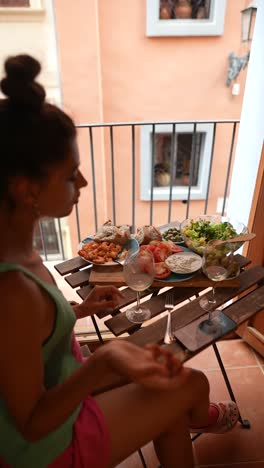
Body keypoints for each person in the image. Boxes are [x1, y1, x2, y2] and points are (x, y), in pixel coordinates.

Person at [0, 54, 239, 468]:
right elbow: (32, 423)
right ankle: (203, 416)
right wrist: (104, 362)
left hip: (63, 387)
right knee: (183, 385)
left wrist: (80, 310)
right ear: (27, 189)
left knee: (172, 388)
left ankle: (194, 415)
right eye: (71, 174)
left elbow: (23, 340)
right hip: (44, 449)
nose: (83, 183)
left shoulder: (16, 250)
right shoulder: (11, 289)